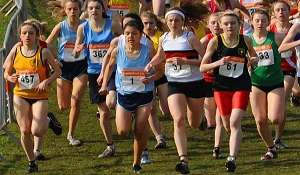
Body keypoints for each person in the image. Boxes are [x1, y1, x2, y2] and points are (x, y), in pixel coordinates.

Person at [145, 7, 206, 174]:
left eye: (177, 20)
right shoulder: (164, 38)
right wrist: (151, 64)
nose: (173, 23)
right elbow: (161, 55)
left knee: (193, 122)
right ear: (166, 22)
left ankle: (201, 120)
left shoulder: (190, 37)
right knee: (178, 119)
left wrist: (187, 61)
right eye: (170, 20)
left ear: (182, 21)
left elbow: (205, 59)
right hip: (174, 82)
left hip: (194, 82)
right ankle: (183, 159)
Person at [200, 10, 257, 172]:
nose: (229, 26)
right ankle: (234, 139)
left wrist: (253, 60)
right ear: (221, 26)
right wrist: (218, 62)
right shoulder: (215, 42)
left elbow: (254, 57)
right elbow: (202, 66)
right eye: (226, 24)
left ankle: (232, 158)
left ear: (239, 25)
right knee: (226, 123)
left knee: (234, 121)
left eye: (233, 23)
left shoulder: (245, 40)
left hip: (241, 85)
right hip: (221, 87)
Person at [4, 21, 61, 173]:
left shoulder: (44, 52)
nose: (27, 36)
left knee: (37, 131)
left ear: (37, 36)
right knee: (24, 130)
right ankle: (32, 162)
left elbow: (58, 72)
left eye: (31, 33)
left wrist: (47, 81)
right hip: (20, 95)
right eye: (24, 33)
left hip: (39, 95)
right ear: (20, 36)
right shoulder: (16, 50)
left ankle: (47, 120)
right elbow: (6, 71)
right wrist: (10, 78)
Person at [100, 20, 155, 174]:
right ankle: (127, 116)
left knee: (139, 129)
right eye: (127, 33)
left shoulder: (148, 50)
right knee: (123, 132)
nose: (130, 36)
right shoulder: (118, 51)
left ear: (140, 35)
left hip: (144, 95)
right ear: (123, 35)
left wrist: (150, 78)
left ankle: (136, 163)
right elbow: (110, 67)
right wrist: (104, 85)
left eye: (134, 33)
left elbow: (160, 70)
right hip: (124, 95)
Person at [73, 0, 120, 157]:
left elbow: (125, 41)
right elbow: (75, 52)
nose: (94, 10)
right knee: (104, 112)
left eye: (97, 7)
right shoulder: (83, 28)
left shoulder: (112, 24)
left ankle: (126, 112)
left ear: (103, 8)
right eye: (91, 8)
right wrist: (78, 50)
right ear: (86, 10)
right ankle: (110, 145)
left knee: (111, 102)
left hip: (113, 70)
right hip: (94, 73)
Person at [46, 0, 87, 147]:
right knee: (63, 106)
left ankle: (71, 134)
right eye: (70, 9)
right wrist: (54, 60)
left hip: (81, 66)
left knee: (75, 100)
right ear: (65, 10)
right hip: (64, 67)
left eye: (75, 9)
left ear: (80, 9)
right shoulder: (61, 26)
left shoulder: (85, 25)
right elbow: (47, 44)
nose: (73, 11)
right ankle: (50, 120)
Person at [250, 9, 285, 161]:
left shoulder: (276, 37)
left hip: (275, 82)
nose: (260, 23)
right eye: (257, 20)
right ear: (251, 22)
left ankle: (277, 137)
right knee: (260, 119)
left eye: (263, 20)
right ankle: (271, 149)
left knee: (275, 118)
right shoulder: (246, 40)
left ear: (268, 21)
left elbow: (292, 39)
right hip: (255, 83)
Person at [269, 0, 295, 149]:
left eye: (284, 10)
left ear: (289, 11)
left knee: (281, 103)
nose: (281, 12)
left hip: (289, 69)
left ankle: (278, 137)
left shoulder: (295, 28)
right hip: (271, 71)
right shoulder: (268, 29)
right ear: (274, 13)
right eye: (278, 10)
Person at [199, 12, 223, 158]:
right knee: (212, 121)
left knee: (221, 115)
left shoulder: (230, 39)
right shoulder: (204, 40)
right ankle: (204, 120)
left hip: (225, 81)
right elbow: (197, 60)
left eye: (218, 22)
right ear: (208, 25)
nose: (216, 25)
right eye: (213, 22)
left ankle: (219, 141)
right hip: (208, 79)